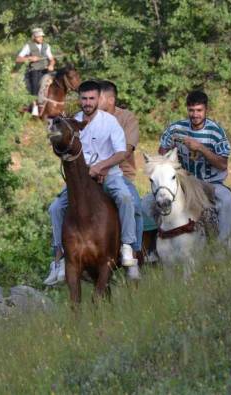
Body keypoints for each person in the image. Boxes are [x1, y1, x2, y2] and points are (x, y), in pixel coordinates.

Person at [43, 80, 138, 286]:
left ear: (98, 99)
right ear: (79, 100)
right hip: (82, 179)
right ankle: (58, 259)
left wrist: (102, 167)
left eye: (91, 98)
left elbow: (122, 152)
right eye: (84, 98)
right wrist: (53, 135)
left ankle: (127, 246)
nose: (87, 102)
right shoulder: (73, 122)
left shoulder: (109, 122)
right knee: (55, 207)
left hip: (109, 174)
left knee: (125, 197)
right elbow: (62, 148)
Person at [157, 90, 231, 243]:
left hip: (210, 182)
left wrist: (201, 148)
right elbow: (161, 155)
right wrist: (170, 149)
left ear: (206, 110)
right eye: (191, 110)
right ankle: (153, 246)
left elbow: (222, 164)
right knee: (150, 202)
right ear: (187, 109)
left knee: (227, 200)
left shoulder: (216, 132)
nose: (195, 114)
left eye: (199, 110)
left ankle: (222, 243)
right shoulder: (176, 129)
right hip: (183, 180)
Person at [97, 80, 143, 276]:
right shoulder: (91, 118)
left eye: (98, 97)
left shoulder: (127, 118)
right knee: (61, 206)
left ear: (110, 99)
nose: (93, 101)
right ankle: (62, 257)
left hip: (121, 173)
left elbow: (127, 150)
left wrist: (105, 166)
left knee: (136, 208)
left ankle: (133, 253)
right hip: (93, 174)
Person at [16, 28, 55, 116]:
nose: (41, 38)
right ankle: (34, 107)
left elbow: (52, 59)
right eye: (38, 37)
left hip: (45, 69)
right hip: (34, 71)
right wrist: (29, 58)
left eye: (42, 36)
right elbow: (18, 59)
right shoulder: (28, 46)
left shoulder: (47, 46)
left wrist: (51, 65)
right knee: (35, 88)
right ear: (34, 37)